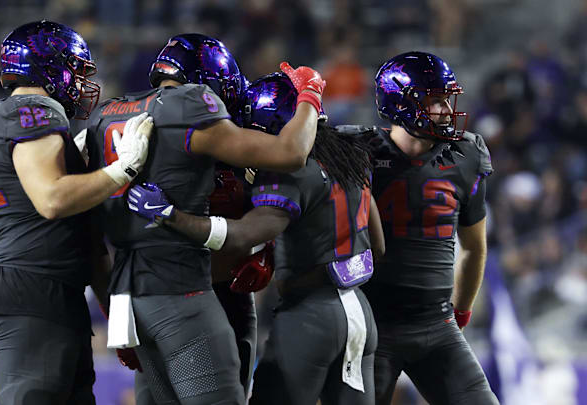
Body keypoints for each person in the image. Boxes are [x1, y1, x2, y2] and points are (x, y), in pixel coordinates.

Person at [84, 34, 325, 405]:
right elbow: (290, 153)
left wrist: (111, 307)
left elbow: (89, 228)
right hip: (187, 291)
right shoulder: (194, 107)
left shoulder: (109, 113)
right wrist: (310, 94)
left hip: (133, 293)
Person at [127, 72, 384, 405]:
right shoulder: (352, 157)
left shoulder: (289, 170)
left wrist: (171, 215)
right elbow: (377, 246)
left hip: (310, 315)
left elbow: (242, 235)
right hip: (361, 311)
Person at [0, 20, 152, 405]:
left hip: (37, 285)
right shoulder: (38, 109)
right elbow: (51, 199)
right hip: (37, 289)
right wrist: (121, 170)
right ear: (49, 66)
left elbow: (83, 235)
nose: (80, 83)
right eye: (76, 70)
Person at [349, 51, 499, 404]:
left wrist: (460, 312)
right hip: (374, 326)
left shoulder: (466, 155)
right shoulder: (356, 148)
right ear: (400, 104)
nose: (446, 110)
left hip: (436, 323)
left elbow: (475, 247)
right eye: (434, 101)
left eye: (447, 99)